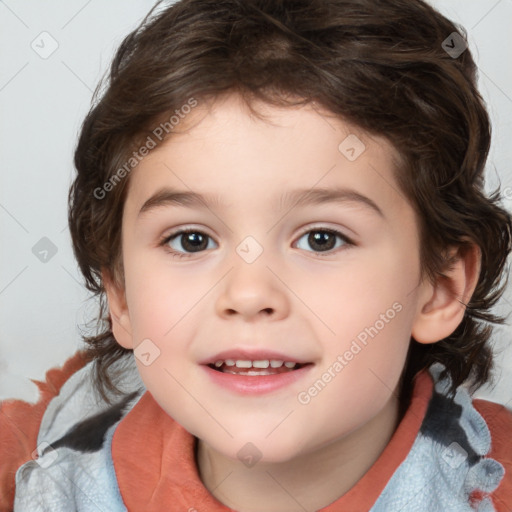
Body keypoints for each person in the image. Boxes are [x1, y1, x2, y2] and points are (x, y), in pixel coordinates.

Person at [1, 0, 512, 510]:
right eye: (191, 240)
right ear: (121, 296)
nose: (248, 295)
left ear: (440, 287)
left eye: (321, 239)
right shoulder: (33, 475)